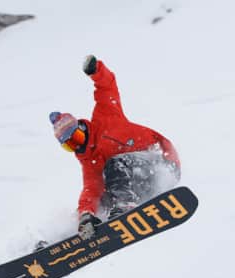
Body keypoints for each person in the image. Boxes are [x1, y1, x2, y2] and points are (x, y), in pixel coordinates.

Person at [50, 55, 181, 240]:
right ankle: (69, 236)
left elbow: (107, 86)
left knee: (115, 164)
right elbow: (90, 190)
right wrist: (85, 215)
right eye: (70, 146)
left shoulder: (106, 116)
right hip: (137, 184)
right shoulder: (89, 162)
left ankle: (126, 205)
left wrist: (96, 71)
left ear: (81, 127)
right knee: (100, 198)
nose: (78, 146)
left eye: (77, 138)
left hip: (161, 164)